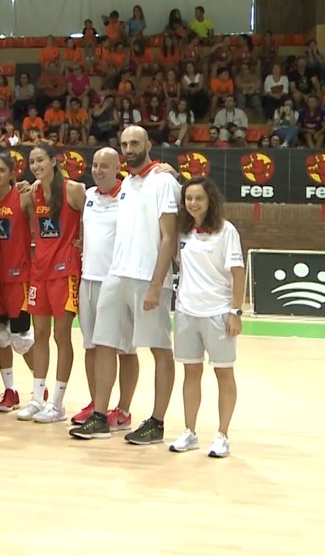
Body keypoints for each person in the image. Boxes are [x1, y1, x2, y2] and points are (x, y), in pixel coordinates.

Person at [71, 126, 178, 443]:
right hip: (115, 275)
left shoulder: (164, 181)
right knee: (103, 342)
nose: (130, 148)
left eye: (135, 143)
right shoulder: (127, 184)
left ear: (148, 145)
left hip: (147, 277)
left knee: (159, 349)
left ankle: (157, 423)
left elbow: (169, 236)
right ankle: (101, 416)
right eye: (125, 144)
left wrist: (157, 285)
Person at [169, 177, 244, 458]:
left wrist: (236, 312)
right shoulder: (183, 231)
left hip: (218, 313)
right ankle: (189, 432)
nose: (193, 203)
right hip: (187, 312)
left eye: (199, 198)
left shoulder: (226, 231)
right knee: (191, 372)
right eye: (188, 198)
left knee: (223, 373)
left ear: (210, 200)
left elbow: (237, 273)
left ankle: (223, 435)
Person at [70, 148, 140, 429]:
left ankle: (123, 410)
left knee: (126, 350)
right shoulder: (87, 196)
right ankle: (96, 403)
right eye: (95, 165)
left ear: (117, 167)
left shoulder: (130, 196)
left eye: (104, 166)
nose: (98, 170)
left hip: (119, 282)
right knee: (92, 347)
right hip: (88, 279)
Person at [20, 144, 85, 423]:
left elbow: (94, 214)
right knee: (40, 335)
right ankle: (38, 398)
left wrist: (83, 241)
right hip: (39, 272)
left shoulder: (73, 189)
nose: (36, 165)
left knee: (62, 336)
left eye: (40, 160)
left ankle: (58, 404)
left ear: (54, 162)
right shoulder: (30, 195)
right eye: (32, 162)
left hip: (65, 270)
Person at [0, 151, 36, 412]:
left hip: (19, 280)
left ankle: (40, 390)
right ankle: (10, 391)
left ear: (12, 174)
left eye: (0, 170)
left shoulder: (24, 197)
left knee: (21, 339)